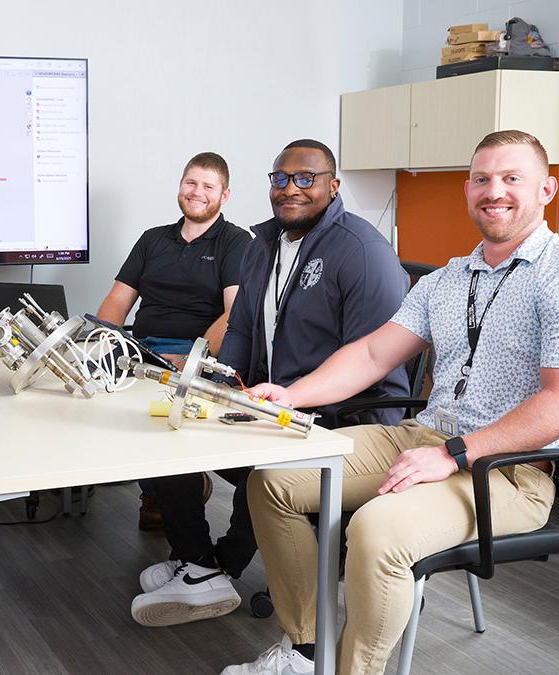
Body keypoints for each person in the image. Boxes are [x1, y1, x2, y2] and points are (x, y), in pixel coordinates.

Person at [222, 130, 559, 675]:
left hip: (508, 471)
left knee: (376, 529)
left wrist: (454, 454)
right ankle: (308, 648)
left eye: (511, 178)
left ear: (547, 189)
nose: (493, 191)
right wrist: (290, 395)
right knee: (273, 480)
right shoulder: (450, 278)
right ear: (467, 189)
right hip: (422, 437)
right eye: (481, 178)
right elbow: (369, 356)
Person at [131, 139, 409, 628]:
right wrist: (221, 388)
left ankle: (218, 569)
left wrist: (300, 407)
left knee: (263, 468)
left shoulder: (362, 251)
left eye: (305, 178)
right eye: (280, 178)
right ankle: (198, 562)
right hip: (274, 399)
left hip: (342, 417)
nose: (290, 188)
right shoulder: (265, 244)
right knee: (169, 438)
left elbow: (372, 364)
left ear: (333, 185)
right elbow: (240, 327)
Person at [96, 152, 251, 531]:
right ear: (180, 186)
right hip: (141, 349)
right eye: (190, 183)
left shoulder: (235, 242)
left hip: (196, 357)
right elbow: (118, 300)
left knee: (160, 421)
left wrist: (192, 360)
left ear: (224, 195)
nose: (197, 193)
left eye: (208, 187)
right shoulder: (152, 240)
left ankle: (179, 498)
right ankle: (158, 489)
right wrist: (100, 342)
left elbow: (234, 314)